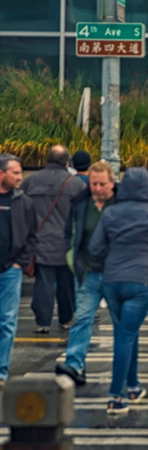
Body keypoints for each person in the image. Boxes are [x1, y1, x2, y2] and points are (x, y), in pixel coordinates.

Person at [89, 167, 148, 414]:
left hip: (112, 281)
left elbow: (95, 248)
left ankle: (133, 386)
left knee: (126, 332)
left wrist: (112, 260)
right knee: (126, 335)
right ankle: (115, 396)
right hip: (142, 282)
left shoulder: (110, 212)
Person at [56, 162, 118, 386]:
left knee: (121, 323)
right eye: (94, 184)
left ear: (112, 182)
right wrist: (73, 261)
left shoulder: (121, 203)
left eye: (102, 184)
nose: (98, 188)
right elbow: (69, 234)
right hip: (88, 272)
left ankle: (124, 370)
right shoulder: (81, 203)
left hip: (116, 273)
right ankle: (74, 364)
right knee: (82, 318)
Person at [21, 145, 86, 333]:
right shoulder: (75, 184)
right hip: (66, 242)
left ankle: (42, 321)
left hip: (39, 240)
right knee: (66, 282)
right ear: (67, 162)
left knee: (43, 282)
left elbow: (22, 209)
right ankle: (66, 318)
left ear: (46, 159)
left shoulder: (30, 181)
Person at [0, 154, 36, 390]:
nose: (20, 177)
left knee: (7, 321)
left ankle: (1, 371)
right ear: (1, 173)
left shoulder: (23, 201)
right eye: (15, 172)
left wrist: (19, 263)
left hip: (10, 269)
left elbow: (33, 235)